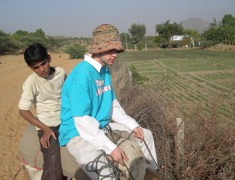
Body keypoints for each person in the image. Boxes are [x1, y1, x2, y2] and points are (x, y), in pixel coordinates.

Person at [59, 24, 158, 179]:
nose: (115, 54)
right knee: (105, 172)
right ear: (98, 49)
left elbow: (113, 105)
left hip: (100, 125)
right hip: (77, 133)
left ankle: (152, 173)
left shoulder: (104, 70)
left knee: (146, 135)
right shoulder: (81, 75)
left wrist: (133, 125)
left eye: (117, 50)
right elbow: (81, 120)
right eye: (111, 50)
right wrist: (111, 148)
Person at [18, 43, 66, 180]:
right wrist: (44, 129)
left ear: (49, 58)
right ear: (30, 68)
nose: (41, 69)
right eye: (36, 67)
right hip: (48, 123)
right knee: (53, 161)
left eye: (43, 64)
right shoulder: (31, 82)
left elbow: (67, 95)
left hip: (66, 118)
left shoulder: (61, 73)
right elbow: (23, 110)